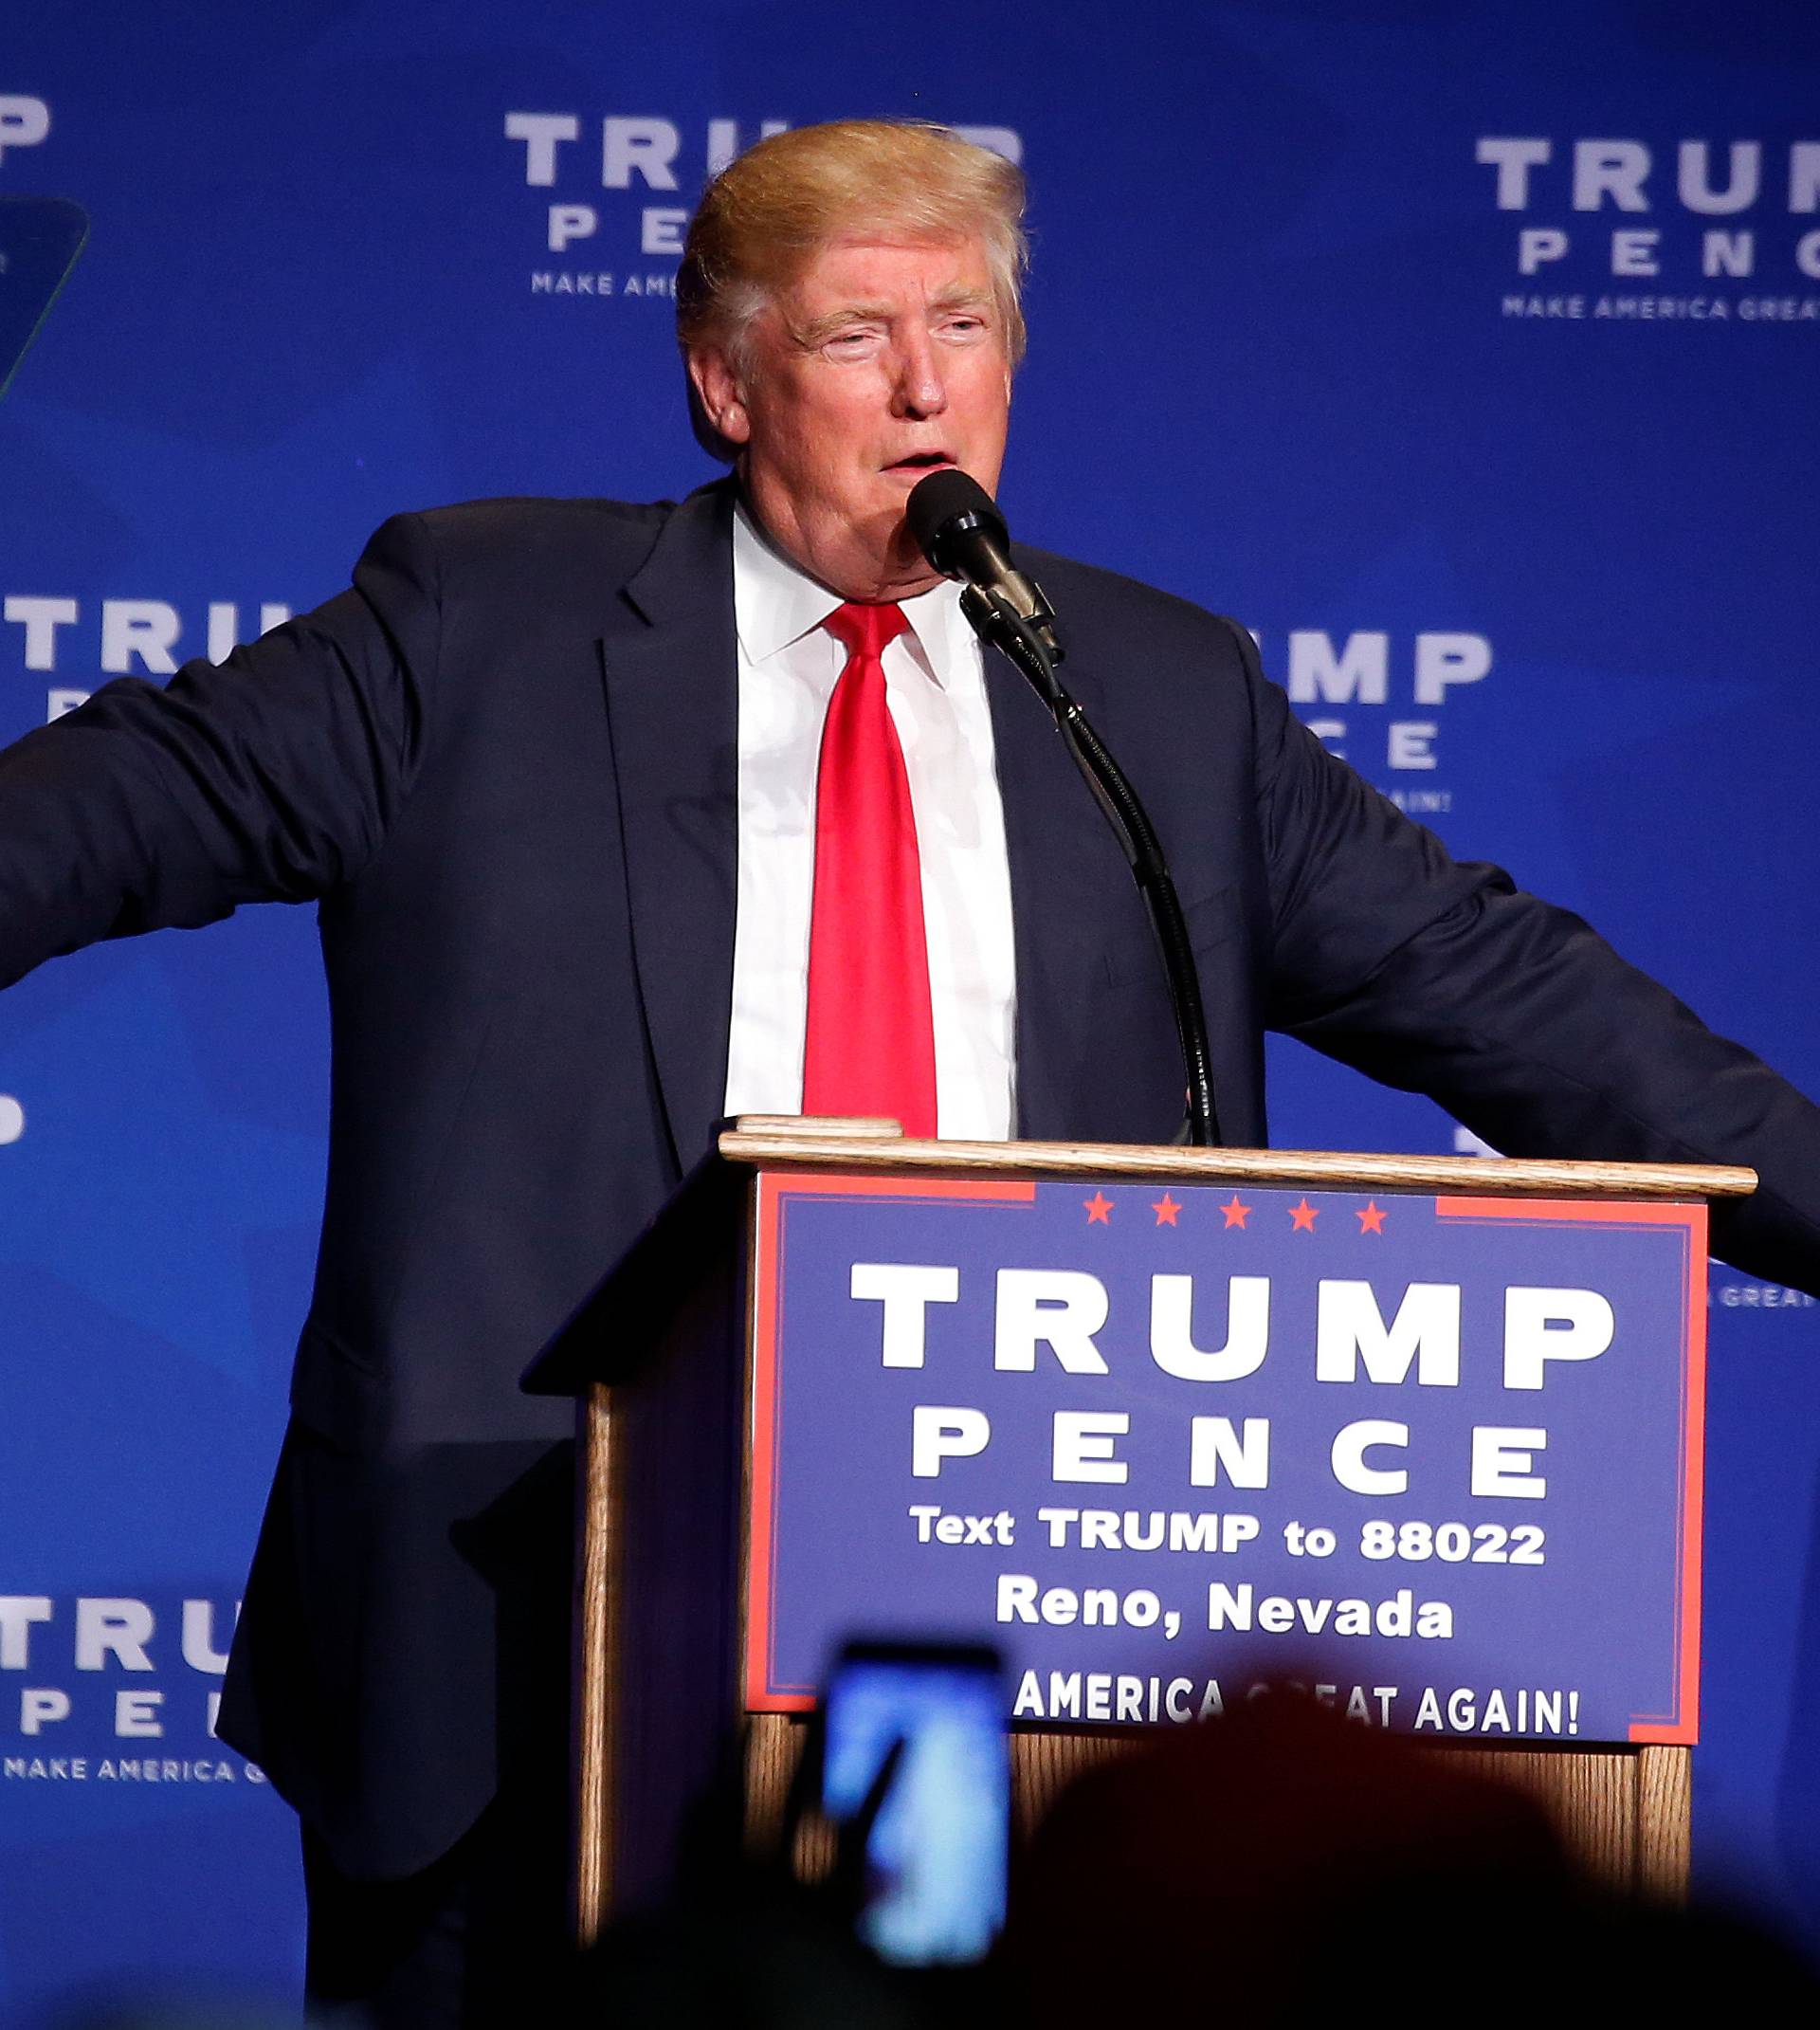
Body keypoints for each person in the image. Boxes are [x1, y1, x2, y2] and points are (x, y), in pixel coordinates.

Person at [2, 119, 1817, 2025]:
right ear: (725, 380)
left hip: (1014, 1636)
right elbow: (122, 807)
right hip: (522, 1620)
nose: (930, 384)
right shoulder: (480, 627)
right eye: (861, 336)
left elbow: (1517, 999)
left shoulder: (1158, 697)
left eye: (966, 326)